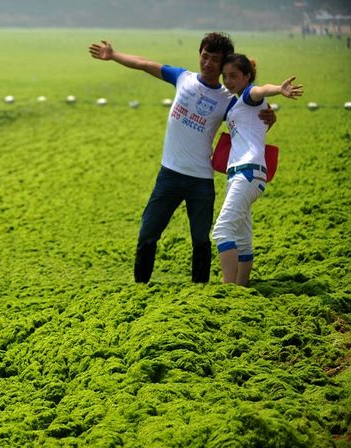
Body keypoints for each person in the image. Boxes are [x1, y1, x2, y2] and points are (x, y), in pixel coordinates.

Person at [88, 32, 276, 283]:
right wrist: (113, 56)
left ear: (223, 64)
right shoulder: (183, 78)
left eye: (214, 59)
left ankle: (200, 290)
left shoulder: (228, 99)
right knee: (147, 234)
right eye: (204, 56)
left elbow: (250, 115)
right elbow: (145, 64)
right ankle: (140, 285)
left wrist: (270, 116)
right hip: (169, 175)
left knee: (201, 240)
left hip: (201, 181)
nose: (207, 63)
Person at [212, 54, 303, 286]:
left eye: (234, 76)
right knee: (242, 239)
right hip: (242, 174)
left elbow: (261, 90)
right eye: (226, 76)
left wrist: (278, 89)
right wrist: (271, 121)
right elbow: (252, 129)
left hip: (248, 172)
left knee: (222, 231)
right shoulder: (235, 103)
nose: (229, 80)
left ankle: (228, 289)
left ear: (247, 77)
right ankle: (242, 287)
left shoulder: (248, 95)